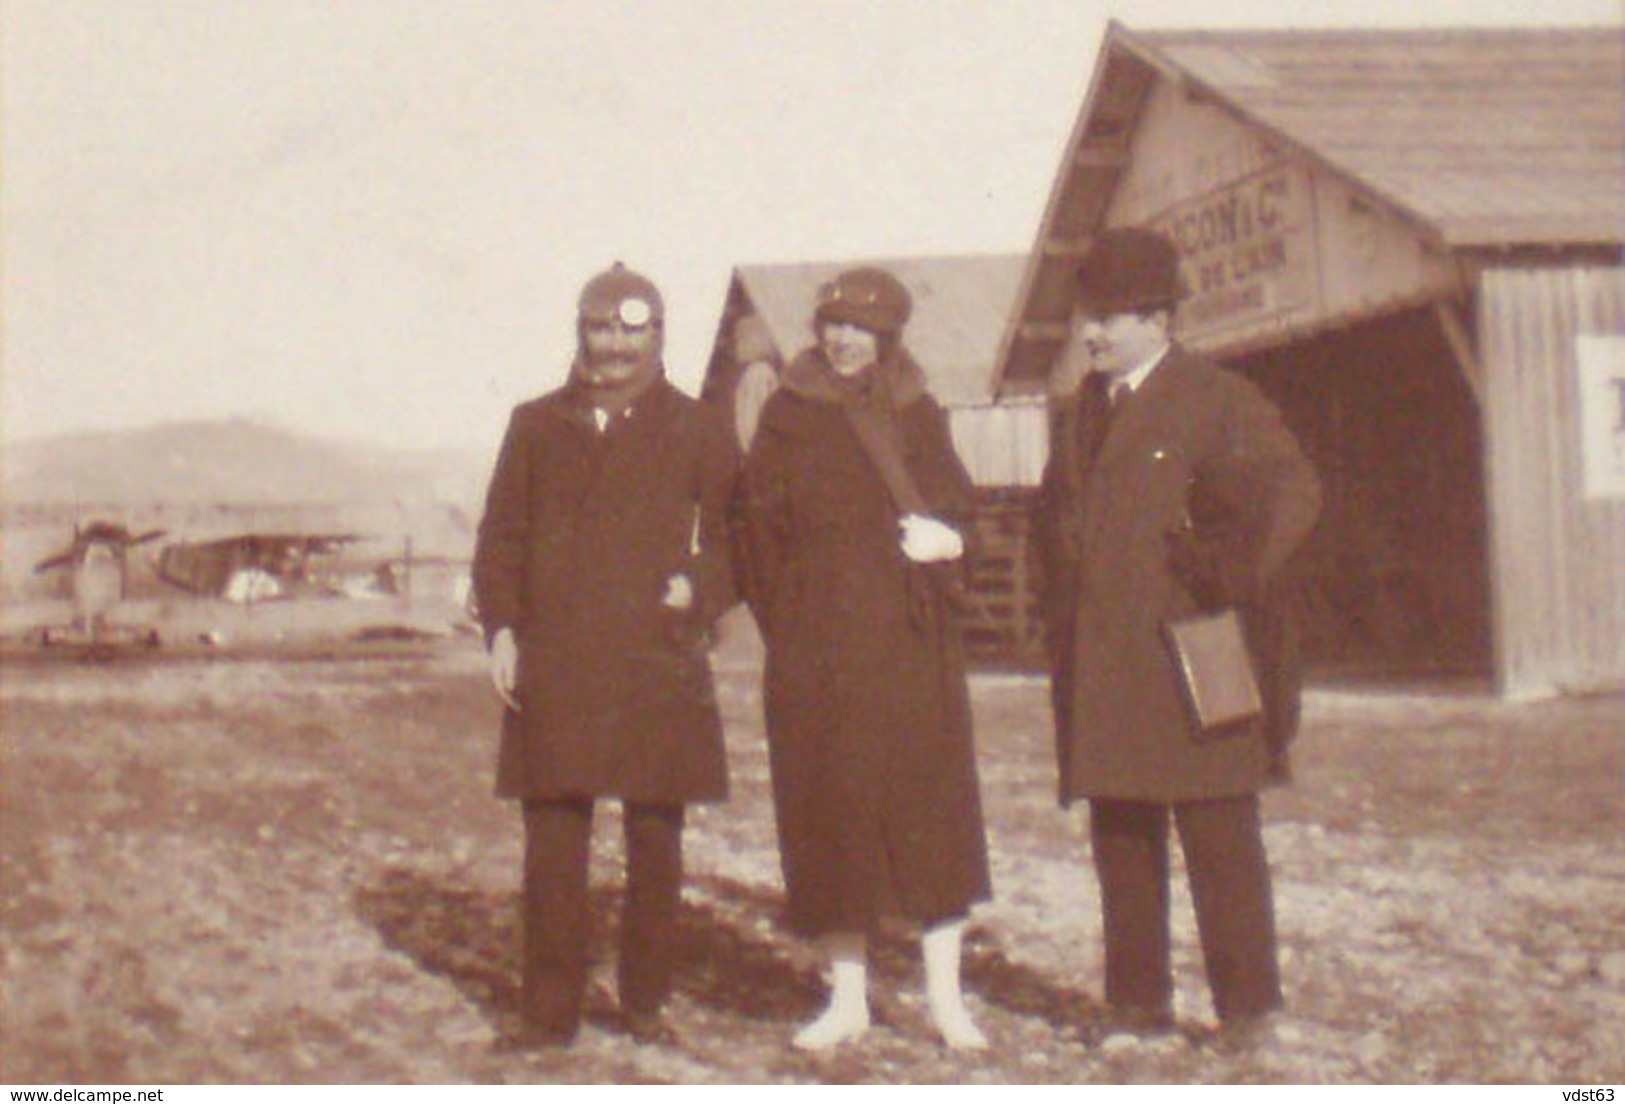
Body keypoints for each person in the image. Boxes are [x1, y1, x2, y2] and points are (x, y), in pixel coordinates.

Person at [1032, 227, 1322, 1048]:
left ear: (1157, 319)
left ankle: (1249, 1012)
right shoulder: (1082, 409)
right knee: (1121, 833)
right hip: (1105, 660)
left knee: (1219, 835)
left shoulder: (1215, 397)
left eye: (1111, 317)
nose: (1091, 332)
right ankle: (1135, 1001)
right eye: (1089, 315)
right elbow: (1052, 520)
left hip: (1201, 653)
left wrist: (1229, 567)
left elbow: (1293, 492)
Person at [472, 262, 738, 1048]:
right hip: (554, 662)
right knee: (553, 843)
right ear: (579, 332)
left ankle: (645, 1001)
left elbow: (735, 538)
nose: (614, 344)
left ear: (658, 336)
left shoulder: (697, 425)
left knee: (654, 841)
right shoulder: (534, 424)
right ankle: (547, 1012)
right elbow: (501, 539)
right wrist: (502, 631)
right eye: (600, 327)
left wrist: (698, 588)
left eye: (631, 328)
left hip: (656, 662)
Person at [736, 266, 993, 1051]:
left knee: (931, 818)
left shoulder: (917, 410)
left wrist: (949, 541)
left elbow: (959, 508)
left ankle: (946, 1001)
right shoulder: (787, 414)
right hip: (820, 651)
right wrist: (792, 621)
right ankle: (846, 999)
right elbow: (754, 534)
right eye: (832, 323)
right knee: (830, 817)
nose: (842, 338)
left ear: (888, 337)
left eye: (860, 327)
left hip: (914, 646)